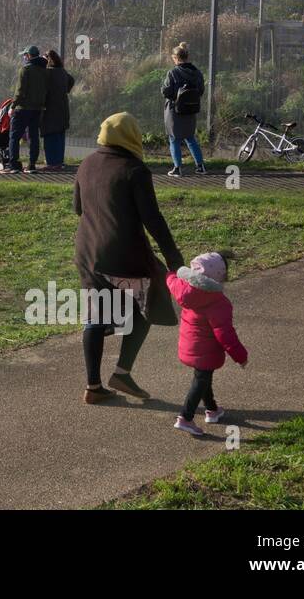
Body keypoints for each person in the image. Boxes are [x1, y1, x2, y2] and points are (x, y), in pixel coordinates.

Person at [73, 111, 183, 404]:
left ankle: (93, 386)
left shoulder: (86, 163)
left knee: (96, 314)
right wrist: (174, 259)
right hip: (122, 254)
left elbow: (77, 208)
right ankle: (122, 372)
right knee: (152, 296)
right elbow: (153, 220)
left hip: (87, 252)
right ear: (132, 136)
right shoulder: (135, 170)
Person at [166, 252, 248, 437]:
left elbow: (171, 279)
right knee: (201, 380)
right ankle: (185, 418)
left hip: (189, 345)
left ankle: (212, 410)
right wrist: (240, 356)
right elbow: (225, 334)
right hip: (206, 350)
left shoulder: (184, 288)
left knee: (203, 377)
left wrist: (170, 273)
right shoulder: (218, 303)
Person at [161, 41, 206, 177]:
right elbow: (201, 90)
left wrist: (163, 89)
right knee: (190, 138)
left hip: (175, 110)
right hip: (190, 109)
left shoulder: (173, 72)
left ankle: (177, 168)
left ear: (176, 58)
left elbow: (166, 92)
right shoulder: (197, 72)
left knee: (174, 138)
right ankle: (200, 167)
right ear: (187, 57)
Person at [5, 46, 47, 173]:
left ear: (28, 55)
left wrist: (12, 106)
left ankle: (14, 165)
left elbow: (20, 91)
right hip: (37, 109)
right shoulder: (44, 70)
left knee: (14, 136)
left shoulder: (25, 69)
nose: (24, 57)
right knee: (33, 136)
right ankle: (31, 165)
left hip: (22, 108)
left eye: (25, 55)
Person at [41, 49, 75, 170]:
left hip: (51, 108)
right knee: (60, 134)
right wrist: (65, 89)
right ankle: (59, 162)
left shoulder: (47, 73)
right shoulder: (62, 71)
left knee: (50, 134)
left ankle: (51, 163)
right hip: (63, 107)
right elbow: (71, 80)